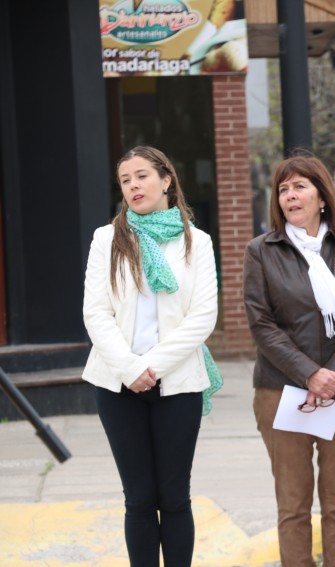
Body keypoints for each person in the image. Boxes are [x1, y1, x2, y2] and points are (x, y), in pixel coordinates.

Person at [82, 146, 219, 567]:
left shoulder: (198, 242)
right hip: (117, 385)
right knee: (139, 499)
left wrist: (151, 365)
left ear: (166, 180)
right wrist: (130, 368)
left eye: (142, 176)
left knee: (174, 497)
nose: (133, 186)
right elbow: (95, 312)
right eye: (125, 180)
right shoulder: (107, 239)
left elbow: (203, 316)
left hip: (177, 384)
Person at [243, 154, 335, 567]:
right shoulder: (261, 251)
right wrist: (309, 374)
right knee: (292, 505)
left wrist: (332, 373)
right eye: (283, 189)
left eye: (299, 186)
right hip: (280, 391)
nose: (289, 196)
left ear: (323, 196)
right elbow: (261, 323)